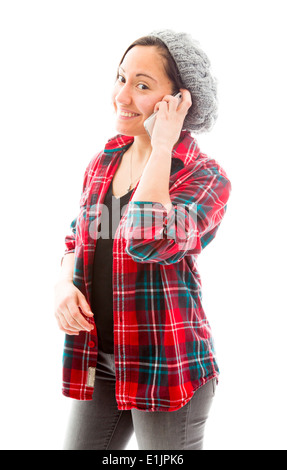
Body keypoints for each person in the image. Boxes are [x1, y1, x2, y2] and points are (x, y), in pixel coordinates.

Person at [54, 29, 232, 450]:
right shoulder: (104, 161)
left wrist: (162, 146)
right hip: (101, 361)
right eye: (121, 78)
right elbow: (76, 238)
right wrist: (64, 284)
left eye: (143, 85)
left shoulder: (205, 177)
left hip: (166, 365)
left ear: (179, 101)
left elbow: (147, 241)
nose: (122, 95)